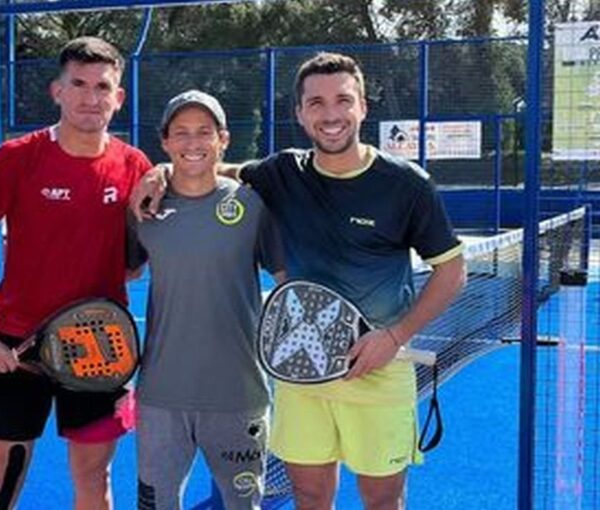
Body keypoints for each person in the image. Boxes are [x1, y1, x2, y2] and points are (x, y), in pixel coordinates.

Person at [130, 53, 467, 510]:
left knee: (382, 500)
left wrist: (394, 336)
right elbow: (211, 168)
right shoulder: (284, 172)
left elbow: (452, 271)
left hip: (379, 371)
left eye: (343, 100)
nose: (331, 114)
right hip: (300, 373)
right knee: (309, 495)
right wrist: (162, 170)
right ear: (300, 113)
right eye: (317, 103)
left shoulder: (406, 184)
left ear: (363, 106)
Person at [0, 37, 152, 510]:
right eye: (78, 84)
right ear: (56, 91)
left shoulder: (135, 165)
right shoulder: (17, 157)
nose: (91, 96)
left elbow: (137, 263)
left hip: (100, 348)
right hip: (15, 346)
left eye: (103, 86)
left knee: (93, 476)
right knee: (7, 473)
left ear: (118, 97)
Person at [128, 90, 284, 510]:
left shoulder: (252, 205)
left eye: (204, 132)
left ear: (223, 140)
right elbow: (122, 272)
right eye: (180, 133)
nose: (192, 143)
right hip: (161, 395)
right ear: (164, 142)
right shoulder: (143, 207)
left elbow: (290, 284)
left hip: (239, 396)